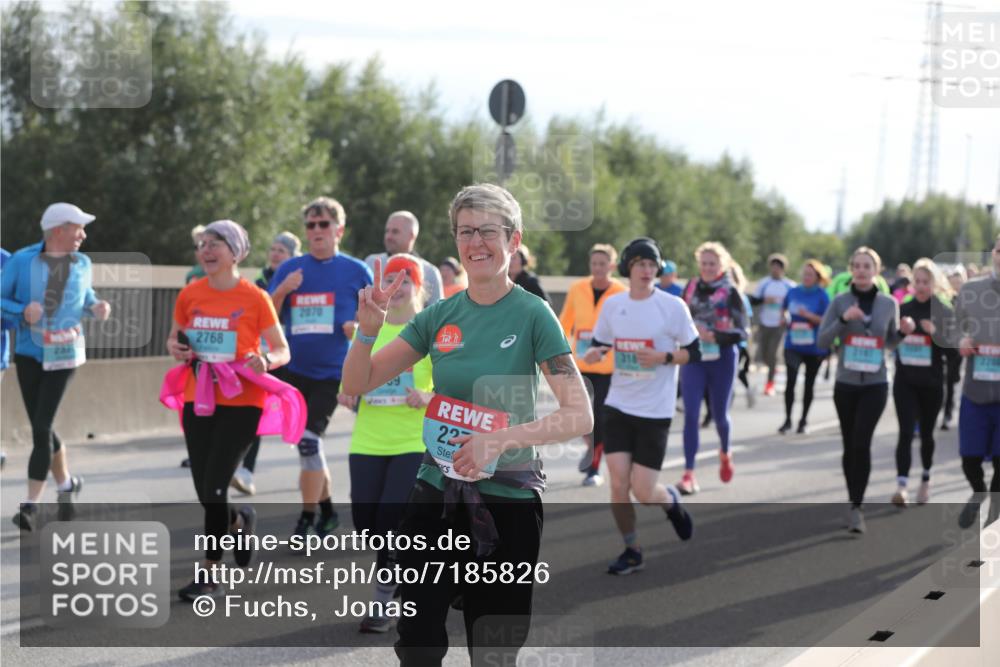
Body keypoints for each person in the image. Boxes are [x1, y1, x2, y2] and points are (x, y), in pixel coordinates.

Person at [341, 183, 592, 666]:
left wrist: (498, 441)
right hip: (435, 496)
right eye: (464, 232)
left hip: (508, 502)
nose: (475, 243)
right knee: (416, 642)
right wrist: (368, 331)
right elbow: (362, 380)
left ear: (513, 240)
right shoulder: (439, 316)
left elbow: (579, 414)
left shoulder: (533, 314)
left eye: (487, 232)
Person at [166, 220, 292, 599]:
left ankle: (210, 575)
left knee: (217, 486)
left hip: (242, 403)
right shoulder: (190, 294)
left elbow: (283, 349)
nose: (205, 249)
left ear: (234, 252)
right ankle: (239, 519)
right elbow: (174, 338)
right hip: (198, 397)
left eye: (215, 243)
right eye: (202, 243)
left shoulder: (255, 297)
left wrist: (266, 360)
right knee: (205, 489)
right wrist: (176, 348)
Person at [583, 237, 697, 575]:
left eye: (652, 265)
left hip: (655, 411)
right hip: (619, 405)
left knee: (644, 491)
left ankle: (670, 501)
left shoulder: (673, 306)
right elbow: (601, 342)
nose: (647, 270)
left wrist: (664, 356)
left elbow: (695, 352)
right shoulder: (614, 305)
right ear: (629, 268)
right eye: (640, 264)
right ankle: (632, 549)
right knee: (618, 484)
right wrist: (595, 352)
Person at [338, 254, 434, 634]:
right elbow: (351, 375)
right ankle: (400, 575)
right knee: (366, 523)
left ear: (419, 287)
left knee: (391, 518)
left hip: (411, 438)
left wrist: (428, 395)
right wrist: (346, 394)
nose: (396, 288)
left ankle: (384, 598)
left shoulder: (427, 331)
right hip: (368, 439)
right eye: (390, 280)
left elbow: (450, 383)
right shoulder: (372, 327)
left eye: (404, 280)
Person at [2, 203, 111, 531]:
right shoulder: (22, 260)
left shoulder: (83, 262)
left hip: (66, 354)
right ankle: (66, 485)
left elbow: (86, 298)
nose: (84, 235)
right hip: (30, 353)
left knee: (41, 427)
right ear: (58, 231)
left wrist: (97, 306)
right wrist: (22, 311)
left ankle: (31, 506)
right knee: (42, 425)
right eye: (78, 228)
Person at [269, 197, 372, 539]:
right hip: (294, 371)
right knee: (305, 444)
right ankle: (328, 512)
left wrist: (357, 329)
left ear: (338, 230)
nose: (316, 231)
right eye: (311, 225)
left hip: (332, 373)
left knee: (309, 441)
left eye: (323, 224)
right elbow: (266, 315)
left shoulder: (357, 271)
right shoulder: (291, 269)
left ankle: (307, 518)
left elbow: (375, 320)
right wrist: (283, 290)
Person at [818, 246, 899, 535]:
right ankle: (853, 499)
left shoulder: (889, 303)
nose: (862, 271)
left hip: (876, 383)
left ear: (876, 271)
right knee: (848, 443)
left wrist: (904, 333)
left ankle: (856, 505)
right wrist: (843, 320)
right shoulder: (840, 301)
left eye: (868, 266)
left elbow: (891, 342)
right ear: (851, 269)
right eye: (858, 266)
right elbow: (822, 342)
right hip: (846, 383)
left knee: (861, 443)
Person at [230, 230, 304, 496]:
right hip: (263, 356)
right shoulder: (259, 283)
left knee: (297, 415)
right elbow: (261, 314)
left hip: (295, 357)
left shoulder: (303, 281)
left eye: (281, 251)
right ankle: (245, 471)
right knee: (256, 412)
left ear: (292, 257)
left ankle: (309, 469)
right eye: (272, 249)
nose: (275, 254)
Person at [677, 242, 749, 494]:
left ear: (723, 265)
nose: (708, 268)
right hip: (694, 358)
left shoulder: (731, 292)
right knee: (691, 415)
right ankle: (688, 473)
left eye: (713, 264)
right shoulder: (691, 286)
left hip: (723, 357)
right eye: (704, 263)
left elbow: (743, 332)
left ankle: (725, 451)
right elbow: (679, 317)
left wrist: (715, 336)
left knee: (719, 416)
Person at [559, 243, 627, 487]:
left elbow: (625, 330)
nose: (598, 268)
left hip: (608, 367)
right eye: (594, 263)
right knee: (578, 414)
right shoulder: (577, 289)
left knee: (599, 417)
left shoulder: (621, 292)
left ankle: (595, 467)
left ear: (612, 266)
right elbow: (564, 324)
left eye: (603, 264)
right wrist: (560, 355)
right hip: (580, 364)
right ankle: (590, 447)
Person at [890, 258, 954, 506]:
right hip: (905, 381)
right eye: (917, 281)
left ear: (934, 283)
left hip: (931, 383)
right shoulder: (903, 309)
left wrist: (935, 333)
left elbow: (954, 353)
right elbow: (891, 344)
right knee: (905, 432)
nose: (921, 286)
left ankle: (926, 479)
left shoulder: (943, 311)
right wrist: (900, 332)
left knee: (926, 434)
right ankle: (901, 486)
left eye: (926, 282)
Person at [954, 236, 1000, 528]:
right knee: (970, 458)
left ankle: (994, 514)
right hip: (976, 390)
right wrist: (961, 340)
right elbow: (954, 327)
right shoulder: (972, 290)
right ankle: (978, 491)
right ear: (994, 253)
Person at [779, 260, 831, 434]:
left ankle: (803, 420)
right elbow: (784, 309)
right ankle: (787, 420)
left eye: (810, 275)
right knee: (791, 381)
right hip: (793, 344)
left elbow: (827, 320)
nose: (806, 277)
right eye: (805, 274)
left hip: (814, 347)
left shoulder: (822, 295)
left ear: (817, 277)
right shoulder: (793, 292)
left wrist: (809, 316)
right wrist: (783, 318)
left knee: (809, 384)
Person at [364, 211, 444, 306]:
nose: (388, 236)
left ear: (412, 236)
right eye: (387, 231)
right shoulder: (371, 263)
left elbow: (438, 315)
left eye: (395, 231)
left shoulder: (430, 272)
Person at [750, 253, 795, 397]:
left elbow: (794, 305)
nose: (775, 269)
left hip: (779, 324)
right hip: (764, 323)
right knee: (762, 355)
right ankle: (770, 372)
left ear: (783, 269)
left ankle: (770, 384)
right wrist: (765, 300)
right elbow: (754, 301)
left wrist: (785, 312)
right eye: (773, 266)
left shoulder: (789, 285)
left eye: (778, 267)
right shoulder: (764, 283)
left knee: (773, 354)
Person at [942, 266, 968, 431]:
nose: (956, 285)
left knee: (952, 379)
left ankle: (948, 412)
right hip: (943, 343)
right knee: (944, 380)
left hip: (957, 346)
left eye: (959, 282)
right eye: (953, 282)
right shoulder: (944, 299)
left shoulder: (968, 299)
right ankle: (943, 409)